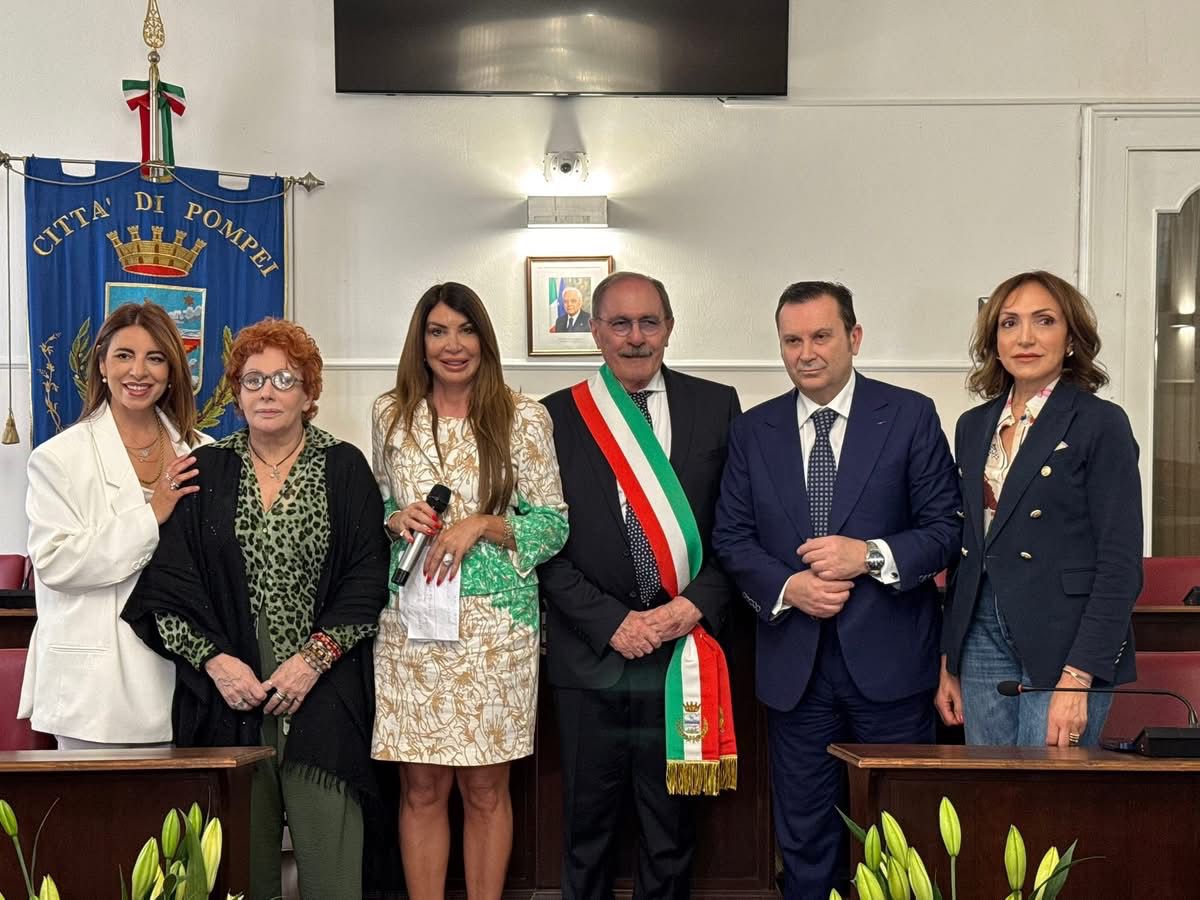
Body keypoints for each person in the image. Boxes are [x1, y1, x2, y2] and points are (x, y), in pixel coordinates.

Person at [122, 319, 389, 900]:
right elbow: (166, 591)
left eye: (284, 378)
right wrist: (216, 663)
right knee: (240, 874)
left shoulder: (345, 469)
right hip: (231, 703)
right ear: (237, 393)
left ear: (309, 392)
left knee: (333, 873)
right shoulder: (205, 471)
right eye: (253, 380)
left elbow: (368, 581)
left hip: (324, 700)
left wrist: (312, 661)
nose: (267, 391)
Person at [712, 281, 960, 899]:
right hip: (795, 670)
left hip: (892, 667)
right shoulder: (753, 430)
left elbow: (946, 529)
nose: (806, 353)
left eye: (821, 336)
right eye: (792, 340)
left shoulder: (909, 414)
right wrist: (790, 586)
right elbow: (733, 538)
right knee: (804, 838)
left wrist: (869, 556)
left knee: (899, 835)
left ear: (853, 338)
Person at [539, 270, 741, 900]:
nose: (634, 337)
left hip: (682, 654)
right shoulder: (551, 417)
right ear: (594, 332)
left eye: (648, 322)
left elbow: (737, 530)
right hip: (592, 654)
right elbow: (543, 544)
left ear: (670, 328)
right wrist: (611, 623)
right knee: (587, 834)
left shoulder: (717, 405)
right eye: (619, 324)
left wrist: (690, 608)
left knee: (670, 833)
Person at [371, 282, 567, 900]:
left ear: (484, 337)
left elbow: (554, 521)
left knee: (486, 789)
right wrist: (394, 517)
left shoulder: (524, 415)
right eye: (437, 331)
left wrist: (484, 522)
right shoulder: (391, 413)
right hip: (410, 627)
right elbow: (376, 500)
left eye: (465, 330)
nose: (452, 346)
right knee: (421, 788)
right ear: (420, 341)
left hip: (494, 629)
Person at [936, 271, 1142, 748]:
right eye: (1009, 324)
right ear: (994, 341)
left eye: (1043, 321)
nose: (1025, 337)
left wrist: (1080, 677)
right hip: (980, 635)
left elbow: (1120, 563)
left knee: (1047, 804)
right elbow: (965, 550)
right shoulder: (973, 426)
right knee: (989, 797)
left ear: (1071, 339)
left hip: (1065, 641)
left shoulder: (1101, 424)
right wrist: (950, 662)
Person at [18, 301, 204, 749]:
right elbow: (56, 563)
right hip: (94, 691)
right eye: (124, 355)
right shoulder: (59, 458)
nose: (138, 371)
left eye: (155, 358)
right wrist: (151, 515)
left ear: (173, 371)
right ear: (101, 364)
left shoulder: (203, 453)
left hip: (184, 682)